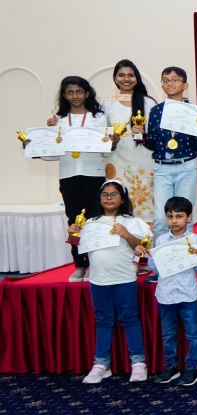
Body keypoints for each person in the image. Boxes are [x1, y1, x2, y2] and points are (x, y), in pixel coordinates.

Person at [34, 76, 115, 282]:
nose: (75, 96)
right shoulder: (58, 121)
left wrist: (112, 142)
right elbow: (52, 153)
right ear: (64, 95)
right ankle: (80, 265)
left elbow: (106, 151)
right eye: (70, 92)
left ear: (86, 93)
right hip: (69, 176)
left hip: (94, 175)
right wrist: (34, 147)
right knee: (74, 221)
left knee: (95, 220)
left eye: (79, 91)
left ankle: (95, 264)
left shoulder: (99, 118)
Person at [70, 180, 149, 384]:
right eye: (105, 194)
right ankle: (101, 364)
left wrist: (126, 234)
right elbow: (80, 246)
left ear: (122, 199)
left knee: (130, 320)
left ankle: (138, 363)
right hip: (98, 281)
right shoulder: (90, 223)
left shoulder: (132, 222)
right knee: (103, 321)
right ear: (99, 198)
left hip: (124, 279)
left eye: (114, 194)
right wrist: (73, 234)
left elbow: (144, 247)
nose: (109, 198)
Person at [141, 197, 197, 386]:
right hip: (166, 295)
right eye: (170, 216)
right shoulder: (161, 240)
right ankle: (171, 366)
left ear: (189, 218)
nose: (174, 220)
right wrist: (148, 255)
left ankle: (192, 367)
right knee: (168, 333)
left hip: (188, 294)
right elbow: (156, 269)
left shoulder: (196, 240)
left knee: (192, 333)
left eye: (179, 216)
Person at [142, 67, 197, 240]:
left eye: (175, 80)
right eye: (166, 80)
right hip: (162, 168)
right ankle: (162, 254)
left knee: (185, 216)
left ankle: (187, 253)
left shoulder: (195, 113)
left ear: (185, 85)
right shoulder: (156, 111)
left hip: (186, 167)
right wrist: (141, 136)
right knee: (160, 218)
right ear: (162, 86)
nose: (170, 83)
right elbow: (152, 144)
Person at [101, 59, 157, 223]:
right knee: (119, 204)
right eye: (121, 75)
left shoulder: (148, 102)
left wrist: (143, 134)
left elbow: (156, 135)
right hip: (117, 161)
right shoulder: (107, 104)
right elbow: (103, 134)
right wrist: (112, 140)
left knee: (146, 205)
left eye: (131, 75)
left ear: (137, 78)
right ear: (115, 78)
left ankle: (146, 238)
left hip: (145, 162)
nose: (126, 79)